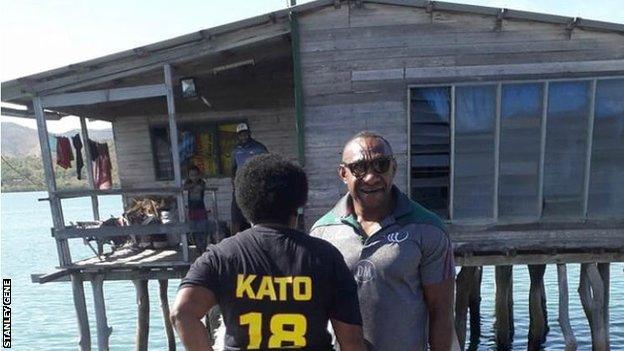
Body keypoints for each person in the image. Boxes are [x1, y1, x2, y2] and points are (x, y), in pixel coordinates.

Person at [171, 154, 366, 351]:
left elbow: (182, 313)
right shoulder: (326, 257)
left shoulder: (220, 257)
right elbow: (352, 340)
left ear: (244, 202)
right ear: (298, 204)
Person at [311, 131, 456, 351]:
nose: (371, 177)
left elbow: (442, 313)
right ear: (343, 174)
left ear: (394, 168)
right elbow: (316, 312)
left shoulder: (428, 229)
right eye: (359, 168)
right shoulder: (322, 232)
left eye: (381, 165)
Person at [230, 122, 268, 235]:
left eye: (245, 133)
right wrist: (234, 183)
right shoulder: (235, 150)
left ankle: (259, 237)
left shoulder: (259, 148)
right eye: (241, 134)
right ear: (238, 135)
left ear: (249, 133)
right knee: (235, 217)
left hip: (255, 186)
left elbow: (267, 165)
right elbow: (233, 168)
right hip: (239, 186)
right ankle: (234, 243)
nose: (243, 136)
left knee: (256, 215)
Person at [184, 165, 209, 252]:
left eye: (195, 175)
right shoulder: (187, 183)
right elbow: (185, 187)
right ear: (188, 176)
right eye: (191, 175)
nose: (194, 177)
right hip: (192, 210)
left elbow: (202, 187)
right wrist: (192, 184)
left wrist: (195, 184)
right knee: (194, 229)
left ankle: (203, 247)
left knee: (203, 229)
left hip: (201, 209)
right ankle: (198, 247)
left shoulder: (202, 182)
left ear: (199, 175)